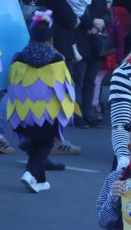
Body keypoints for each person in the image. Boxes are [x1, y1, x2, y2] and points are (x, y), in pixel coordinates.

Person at [5, 10, 77, 194]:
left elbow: (11, 87)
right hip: (48, 113)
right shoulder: (57, 59)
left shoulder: (19, 57)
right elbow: (65, 87)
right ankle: (30, 173)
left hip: (25, 113)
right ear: (50, 38)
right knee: (45, 143)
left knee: (36, 142)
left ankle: (40, 180)